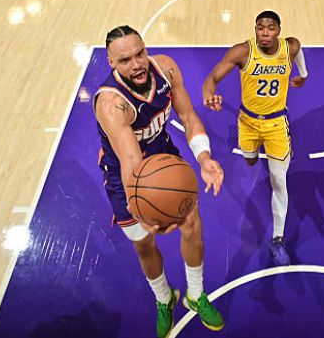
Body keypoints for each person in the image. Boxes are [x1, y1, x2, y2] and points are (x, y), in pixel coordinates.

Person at [94, 26, 225, 338]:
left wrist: (204, 158)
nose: (137, 64)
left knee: (192, 224)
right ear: (111, 62)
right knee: (144, 243)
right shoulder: (111, 104)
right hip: (126, 178)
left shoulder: (165, 69)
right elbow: (131, 162)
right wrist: (144, 213)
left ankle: (196, 294)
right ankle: (164, 298)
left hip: (164, 159)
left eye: (140, 53)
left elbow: (189, 117)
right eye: (125, 60)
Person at [202, 11, 308, 266]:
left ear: (279, 30)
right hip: (248, 123)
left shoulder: (290, 47)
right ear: (255, 30)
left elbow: (298, 51)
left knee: (278, 181)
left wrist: (303, 74)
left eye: (270, 28)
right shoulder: (243, 52)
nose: (265, 33)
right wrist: (208, 94)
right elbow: (212, 79)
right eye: (260, 28)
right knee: (249, 160)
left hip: (276, 124)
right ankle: (253, 151)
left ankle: (278, 239)